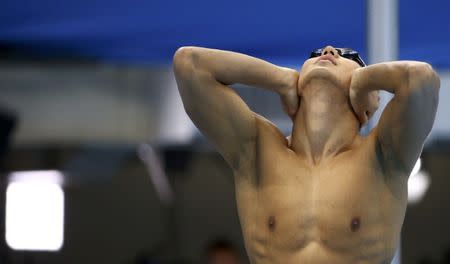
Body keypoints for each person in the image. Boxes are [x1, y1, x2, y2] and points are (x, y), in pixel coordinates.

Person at [173, 45, 440, 263]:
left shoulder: (383, 156)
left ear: (371, 105)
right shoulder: (257, 150)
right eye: (313, 56)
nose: (328, 51)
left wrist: (363, 81)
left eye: (350, 56)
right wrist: (279, 78)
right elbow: (189, 64)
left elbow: (421, 79)